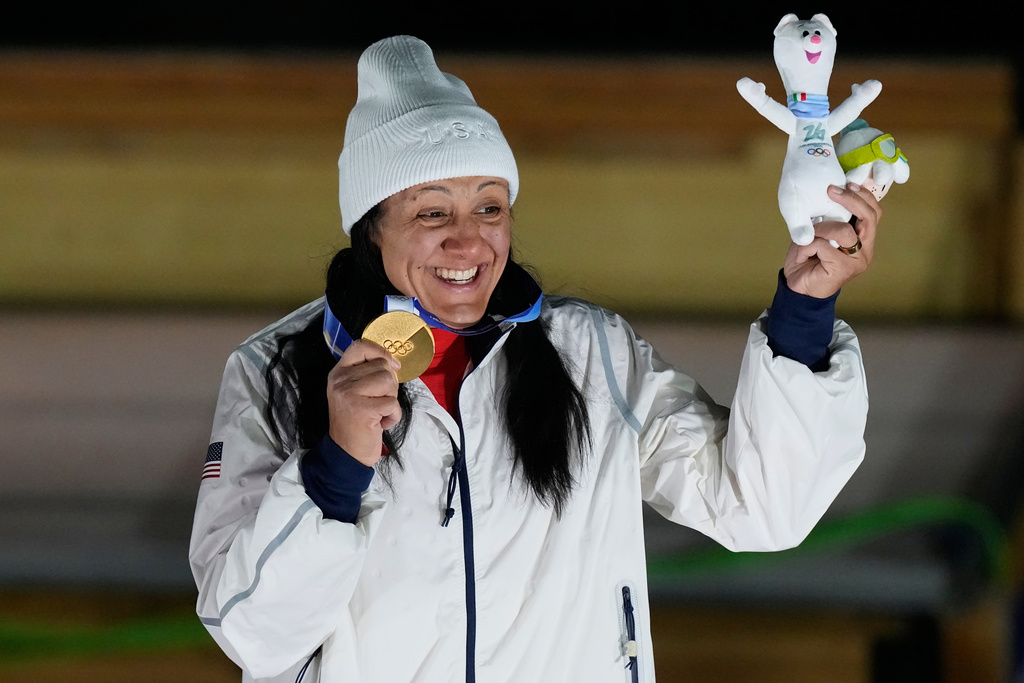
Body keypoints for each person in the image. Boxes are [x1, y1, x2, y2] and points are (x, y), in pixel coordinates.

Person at [189, 35, 876, 683]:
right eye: (432, 213)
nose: (468, 243)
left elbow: (762, 504)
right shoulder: (275, 374)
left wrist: (805, 306)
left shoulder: (590, 356)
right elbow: (251, 629)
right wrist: (335, 465)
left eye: (489, 207)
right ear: (371, 228)